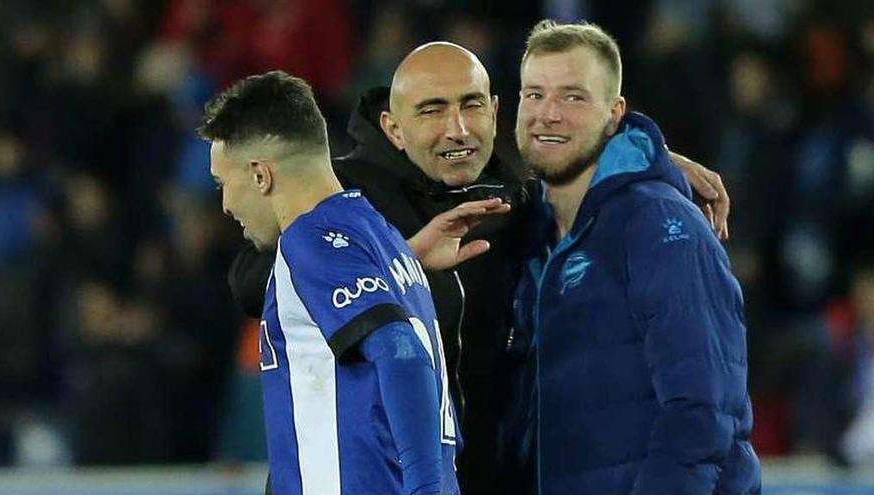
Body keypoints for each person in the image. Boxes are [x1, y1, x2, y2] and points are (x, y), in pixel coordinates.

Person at [227, 41, 733, 493]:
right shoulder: (348, 199)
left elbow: (575, 166)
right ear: (393, 128)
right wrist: (397, 262)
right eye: (432, 111)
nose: (458, 129)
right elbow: (250, 281)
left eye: (471, 106)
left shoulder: (513, 206)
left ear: (495, 112)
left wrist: (649, 160)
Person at [197, 70, 508, 495]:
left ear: (259, 175)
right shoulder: (380, 234)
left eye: (222, 184)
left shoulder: (311, 241)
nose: (226, 205)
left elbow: (402, 355)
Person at [510, 20, 761, 493]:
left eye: (573, 97)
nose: (548, 114)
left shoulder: (660, 224)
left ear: (614, 113)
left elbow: (702, 412)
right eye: (534, 94)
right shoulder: (528, 233)